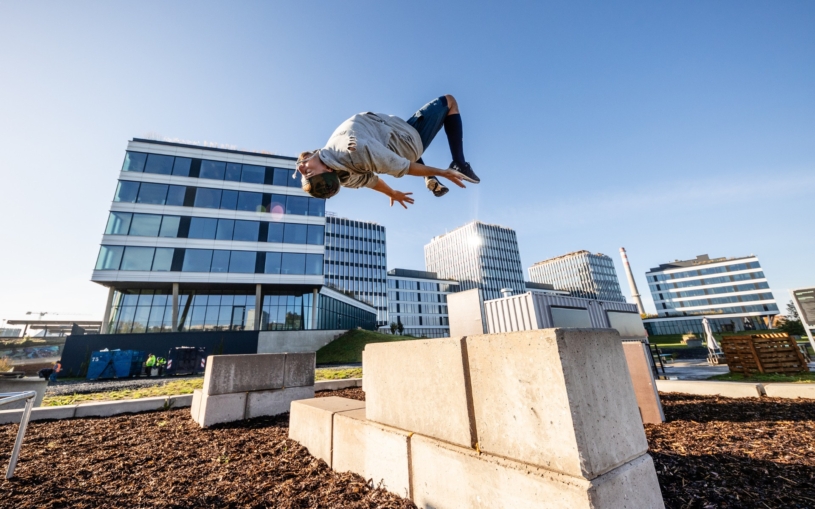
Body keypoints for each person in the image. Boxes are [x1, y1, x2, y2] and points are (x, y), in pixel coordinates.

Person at [296, 95, 480, 207]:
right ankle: (460, 163)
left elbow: (373, 182)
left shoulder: (344, 178)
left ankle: (429, 178)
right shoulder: (354, 149)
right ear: (328, 169)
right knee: (449, 101)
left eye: (303, 171)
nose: (302, 168)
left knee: (392, 151)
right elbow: (404, 167)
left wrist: (392, 193)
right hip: (405, 141)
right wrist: (443, 172)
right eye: (308, 171)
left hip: (392, 137)